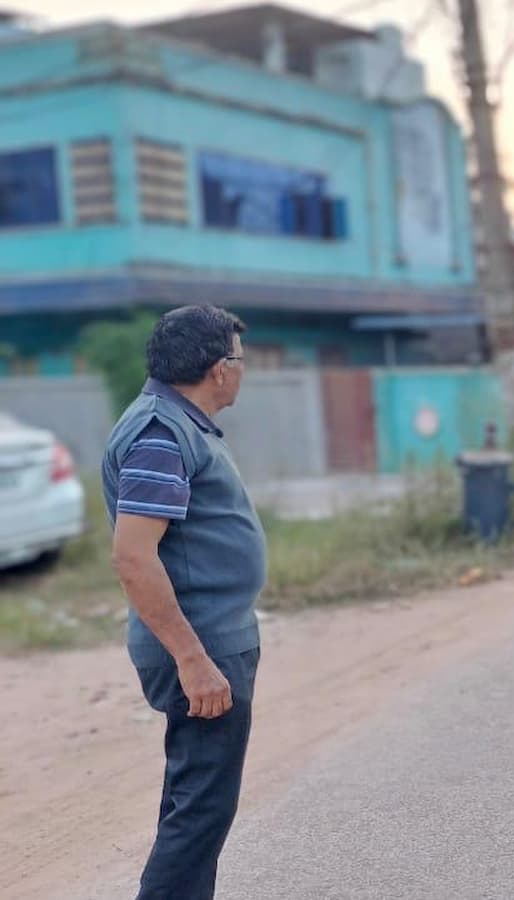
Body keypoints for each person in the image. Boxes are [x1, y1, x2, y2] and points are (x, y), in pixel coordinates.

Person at [102, 305, 264, 900]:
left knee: (195, 804)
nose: (242, 372)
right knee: (200, 814)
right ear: (220, 369)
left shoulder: (180, 425)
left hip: (212, 639)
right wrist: (193, 661)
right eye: (240, 361)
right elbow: (133, 557)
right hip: (200, 648)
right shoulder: (160, 434)